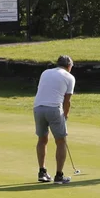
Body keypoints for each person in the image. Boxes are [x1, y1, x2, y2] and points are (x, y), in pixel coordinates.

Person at [32, 55, 75, 184]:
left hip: (38, 107)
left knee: (42, 139)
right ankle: (59, 175)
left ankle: (42, 172)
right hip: (54, 109)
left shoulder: (45, 72)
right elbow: (67, 101)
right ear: (69, 66)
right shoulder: (70, 77)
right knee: (61, 141)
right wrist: (65, 115)